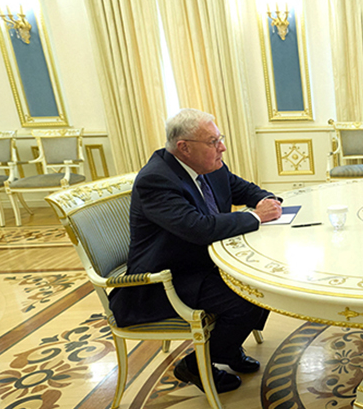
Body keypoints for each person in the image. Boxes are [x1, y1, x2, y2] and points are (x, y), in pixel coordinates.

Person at [110, 108, 283, 393]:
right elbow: (198, 228)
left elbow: (244, 189)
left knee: (261, 283)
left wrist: (269, 201)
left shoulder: (210, 166)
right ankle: (196, 365)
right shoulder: (157, 180)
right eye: (213, 141)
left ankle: (227, 348)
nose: (222, 147)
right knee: (247, 299)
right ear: (184, 147)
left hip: (199, 263)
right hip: (166, 278)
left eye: (220, 139)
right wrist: (256, 216)